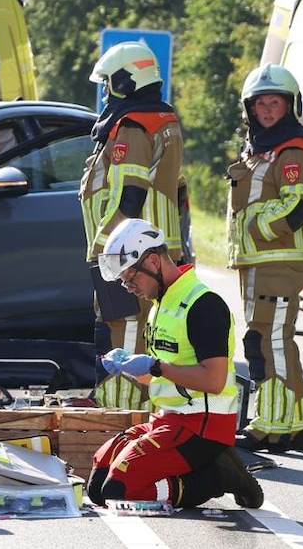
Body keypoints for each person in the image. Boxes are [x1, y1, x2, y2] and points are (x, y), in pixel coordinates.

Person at [87, 218, 264, 509]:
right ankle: (205, 468)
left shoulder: (204, 305)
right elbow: (161, 377)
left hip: (203, 427)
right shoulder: (162, 304)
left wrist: (156, 366)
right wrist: (131, 368)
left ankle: (217, 476)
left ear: (154, 261)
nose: (129, 288)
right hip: (168, 419)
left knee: (120, 488)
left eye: (131, 279)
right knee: (98, 485)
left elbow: (214, 381)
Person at [80, 41, 184, 410]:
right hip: (150, 246)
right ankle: (137, 406)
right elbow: (178, 191)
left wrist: (103, 250)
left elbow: (129, 197)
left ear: (126, 81)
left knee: (122, 327)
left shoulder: (135, 126)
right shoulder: (164, 121)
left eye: (109, 83)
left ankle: (119, 409)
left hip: (127, 249)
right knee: (145, 329)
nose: (106, 91)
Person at [225, 64, 303, 452]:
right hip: (261, 264)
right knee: (273, 340)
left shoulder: (292, 148)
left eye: (274, 103)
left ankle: (274, 426)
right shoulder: (261, 148)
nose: (265, 110)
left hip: (277, 263)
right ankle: (294, 423)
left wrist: (253, 229)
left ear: (289, 105)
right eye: (259, 103)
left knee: (269, 342)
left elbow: (299, 205)